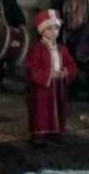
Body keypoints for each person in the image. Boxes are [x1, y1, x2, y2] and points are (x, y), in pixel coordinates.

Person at [24, 9, 77, 145]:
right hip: (42, 87)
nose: (54, 33)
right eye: (50, 29)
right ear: (42, 31)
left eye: (56, 29)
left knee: (58, 108)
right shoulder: (36, 49)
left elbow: (71, 65)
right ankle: (39, 134)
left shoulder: (62, 49)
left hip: (58, 85)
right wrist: (48, 75)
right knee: (42, 110)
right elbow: (32, 68)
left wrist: (65, 72)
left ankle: (56, 132)